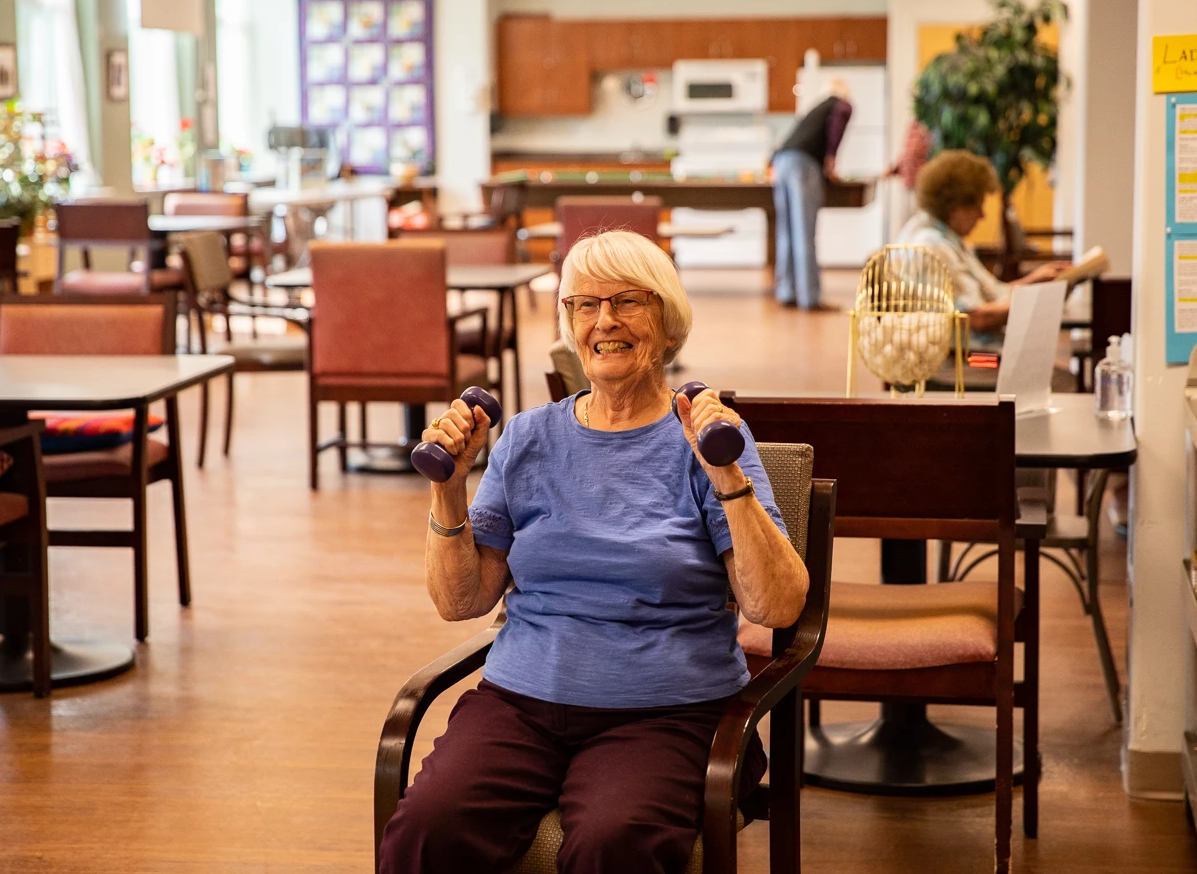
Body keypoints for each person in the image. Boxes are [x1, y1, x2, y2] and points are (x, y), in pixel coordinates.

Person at [378, 230, 809, 874]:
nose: (604, 321)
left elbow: (775, 604)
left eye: (627, 302)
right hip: (520, 701)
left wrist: (727, 480)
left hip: (665, 711)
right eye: (583, 305)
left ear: (666, 324)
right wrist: (448, 491)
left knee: (615, 843)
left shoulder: (710, 437)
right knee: (426, 828)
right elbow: (460, 600)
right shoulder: (526, 437)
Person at [896, 149, 1069, 351]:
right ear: (955, 206)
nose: (982, 215)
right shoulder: (933, 247)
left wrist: (1036, 281)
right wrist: (1040, 300)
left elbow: (993, 295)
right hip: (963, 362)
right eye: (977, 206)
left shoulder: (942, 236)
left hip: (969, 354)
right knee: (1053, 372)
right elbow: (976, 318)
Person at [771, 79, 853, 311]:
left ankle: (787, 291)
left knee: (786, 231)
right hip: (803, 165)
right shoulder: (842, 104)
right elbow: (837, 127)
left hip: (782, 161)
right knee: (804, 231)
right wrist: (831, 160)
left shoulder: (816, 108)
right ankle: (810, 298)